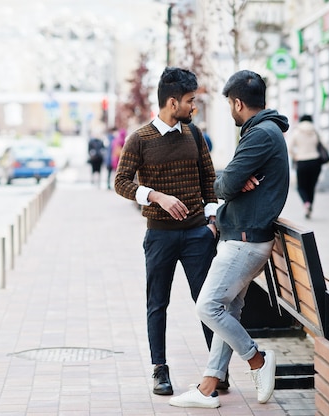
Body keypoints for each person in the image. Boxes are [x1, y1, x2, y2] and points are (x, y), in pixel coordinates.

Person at [169, 70, 289, 409]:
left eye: (229, 106)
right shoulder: (264, 131)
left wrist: (233, 179)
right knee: (228, 311)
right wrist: (235, 178)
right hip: (245, 235)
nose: (230, 112)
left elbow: (223, 186)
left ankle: (257, 360)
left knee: (208, 306)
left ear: (237, 102)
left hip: (245, 240)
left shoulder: (260, 136)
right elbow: (231, 180)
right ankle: (208, 387)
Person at [114, 67, 220, 396]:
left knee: (207, 302)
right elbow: (119, 182)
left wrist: (212, 220)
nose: (194, 107)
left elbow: (208, 179)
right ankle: (160, 370)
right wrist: (156, 195)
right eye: (190, 101)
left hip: (196, 236)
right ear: (172, 103)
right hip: (159, 235)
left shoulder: (195, 135)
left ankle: (217, 369)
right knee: (157, 303)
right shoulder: (140, 139)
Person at [287, 114, 324, 219]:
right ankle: (310, 204)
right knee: (311, 186)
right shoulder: (315, 131)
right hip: (315, 162)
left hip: (302, 161)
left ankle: (306, 204)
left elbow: (289, 148)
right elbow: (324, 144)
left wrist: (296, 156)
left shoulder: (296, 132)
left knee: (301, 187)